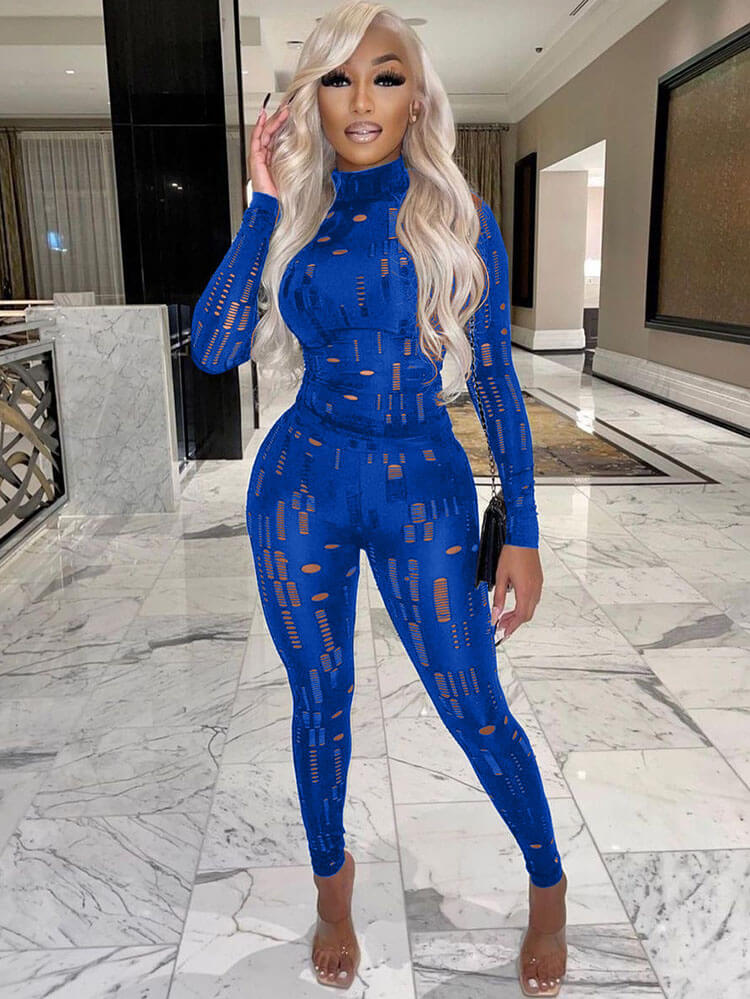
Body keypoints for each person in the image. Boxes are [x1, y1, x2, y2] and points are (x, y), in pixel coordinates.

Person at [190, 2, 567, 993]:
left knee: (472, 701)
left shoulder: (457, 211)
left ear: (416, 96)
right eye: (338, 78)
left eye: (385, 76)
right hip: (301, 483)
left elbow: (495, 380)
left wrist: (522, 528)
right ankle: (332, 889)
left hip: (423, 486)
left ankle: (548, 884)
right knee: (321, 702)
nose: (361, 99)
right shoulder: (296, 212)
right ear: (311, 98)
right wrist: (261, 203)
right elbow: (216, 349)